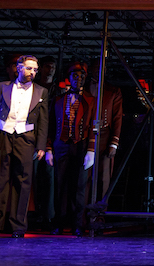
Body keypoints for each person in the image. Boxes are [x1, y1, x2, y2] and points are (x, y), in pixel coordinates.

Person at [0, 55, 48, 238]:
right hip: (3, 136)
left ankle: (18, 227)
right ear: (19, 68)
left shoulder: (41, 91)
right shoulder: (2, 87)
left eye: (35, 70)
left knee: (23, 183)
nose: (32, 73)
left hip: (26, 139)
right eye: (29, 69)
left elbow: (44, 121)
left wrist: (41, 146)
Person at [45, 62, 95, 236]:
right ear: (69, 78)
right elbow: (50, 126)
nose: (78, 79)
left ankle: (78, 224)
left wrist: (91, 150)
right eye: (75, 76)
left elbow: (94, 127)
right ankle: (58, 222)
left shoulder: (91, 100)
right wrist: (49, 148)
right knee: (59, 186)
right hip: (61, 145)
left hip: (80, 146)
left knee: (79, 187)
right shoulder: (58, 100)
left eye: (81, 76)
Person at [83, 59, 123, 202]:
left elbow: (117, 118)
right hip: (85, 137)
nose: (99, 71)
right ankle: (81, 216)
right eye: (96, 68)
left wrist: (114, 143)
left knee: (103, 178)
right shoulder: (84, 89)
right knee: (84, 177)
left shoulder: (113, 91)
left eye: (102, 69)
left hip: (105, 138)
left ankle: (98, 215)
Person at [32, 55, 59, 228]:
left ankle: (48, 215)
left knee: (49, 177)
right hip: (33, 137)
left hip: (51, 138)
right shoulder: (34, 88)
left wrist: (49, 144)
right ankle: (32, 212)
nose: (50, 70)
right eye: (47, 66)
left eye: (53, 67)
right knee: (32, 176)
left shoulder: (57, 90)